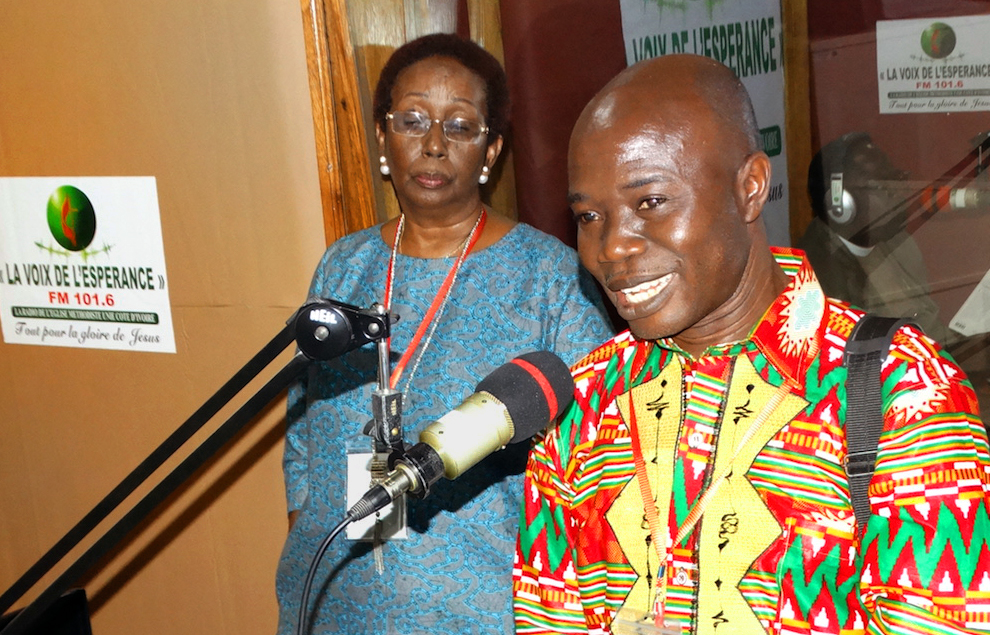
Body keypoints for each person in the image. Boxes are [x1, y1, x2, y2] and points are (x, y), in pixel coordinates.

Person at [513, 53, 990, 635]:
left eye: (650, 203)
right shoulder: (582, 407)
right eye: (589, 216)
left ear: (750, 188)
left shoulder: (901, 391)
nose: (612, 247)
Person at [275, 33, 613, 635]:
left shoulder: (551, 278)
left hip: (479, 612)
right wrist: (308, 521)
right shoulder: (341, 265)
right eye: (412, 120)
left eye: (460, 127)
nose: (433, 144)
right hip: (330, 598)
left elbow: (595, 465)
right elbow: (301, 430)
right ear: (382, 136)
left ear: (492, 151)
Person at [797, 132, 956, 346]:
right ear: (840, 206)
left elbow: (934, 336)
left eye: (896, 178)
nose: (898, 193)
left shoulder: (897, 244)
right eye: (881, 185)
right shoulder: (818, 282)